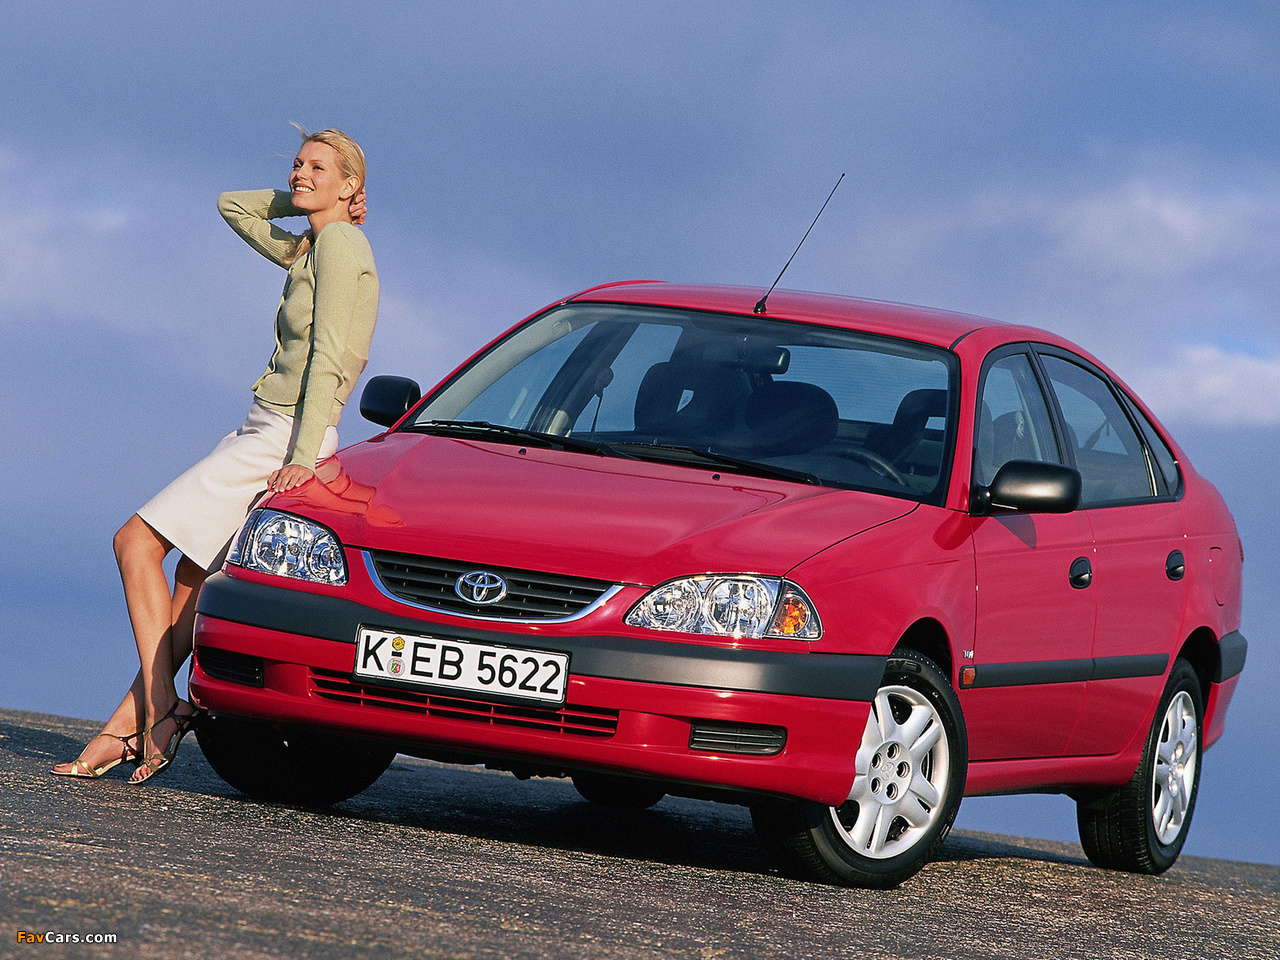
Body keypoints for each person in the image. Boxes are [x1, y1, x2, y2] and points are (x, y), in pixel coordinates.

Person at [52, 127, 379, 785]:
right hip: (266, 427)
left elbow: (329, 355)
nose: (299, 173)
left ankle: (160, 708)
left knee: (134, 543)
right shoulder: (312, 246)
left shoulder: (341, 245)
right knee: (191, 580)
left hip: (286, 434)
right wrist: (307, 199)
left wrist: (302, 455)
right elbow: (235, 206)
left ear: (351, 185)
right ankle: (126, 727)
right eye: (296, 164)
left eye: (318, 167)